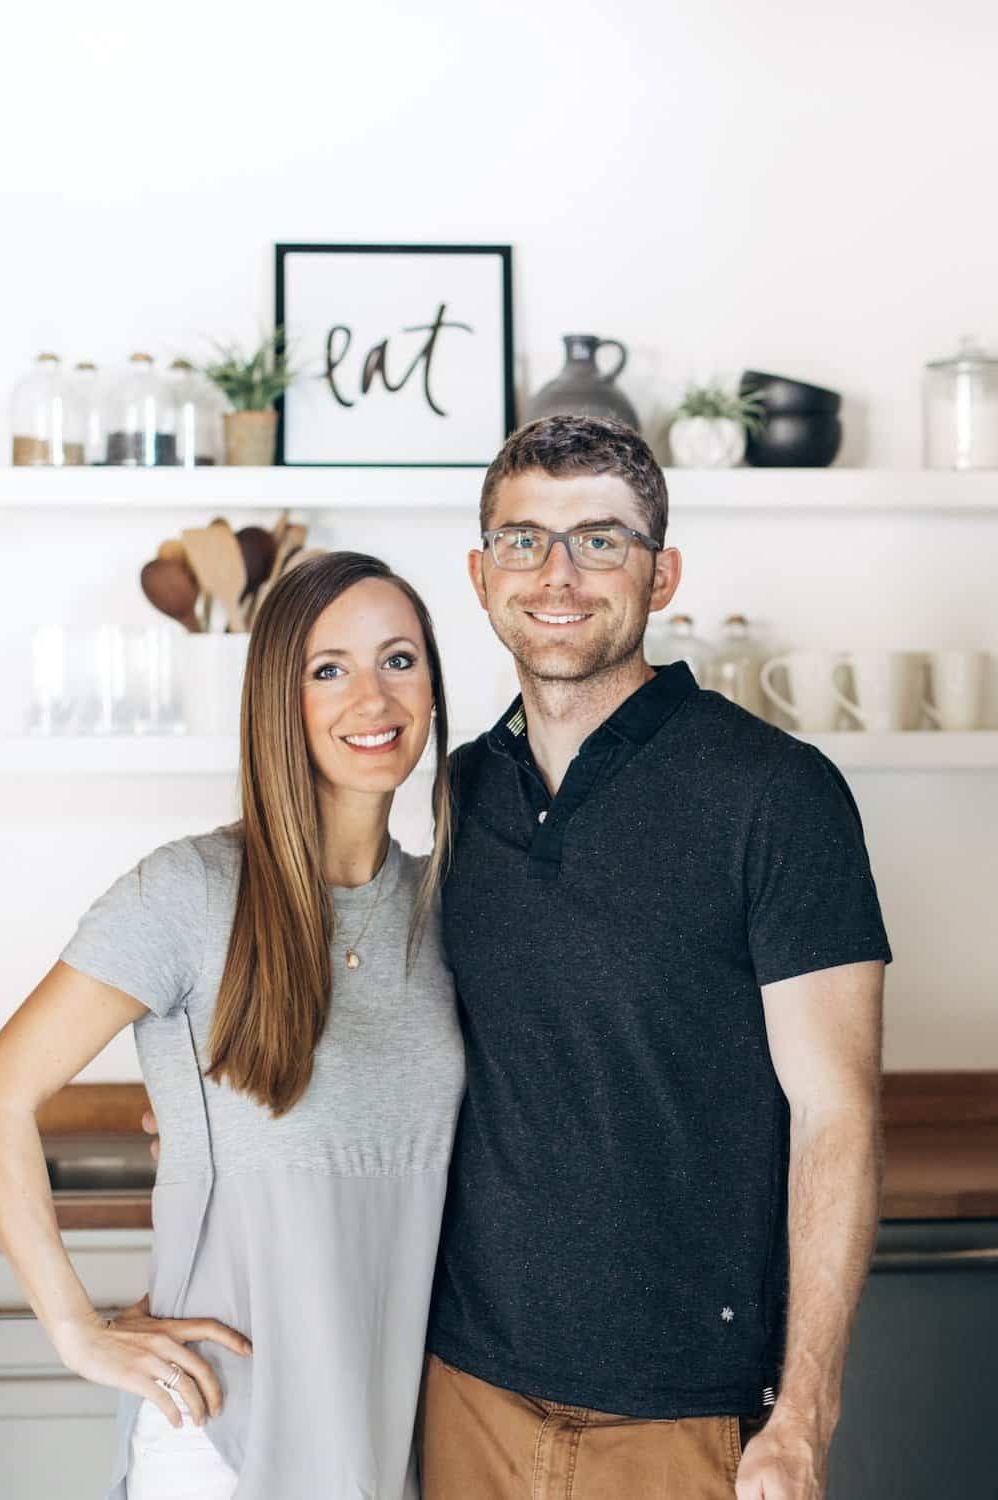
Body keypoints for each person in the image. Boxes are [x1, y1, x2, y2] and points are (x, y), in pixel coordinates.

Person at [417, 415, 892, 1500]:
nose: (558, 574)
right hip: (467, 1388)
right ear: (482, 572)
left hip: (687, 1411)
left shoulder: (776, 795)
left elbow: (839, 1118)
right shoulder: (456, 793)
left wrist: (805, 1416)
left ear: (661, 572)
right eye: (524, 540)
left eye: (601, 540)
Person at [0, 552, 465, 1500]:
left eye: (400, 659)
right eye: (327, 668)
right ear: (275, 701)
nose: (371, 697)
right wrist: (76, 1328)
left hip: (389, 1441)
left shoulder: (446, 912)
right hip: (223, 1439)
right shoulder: (190, 893)